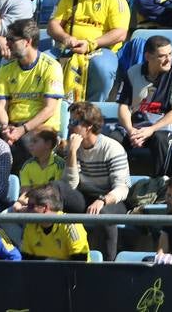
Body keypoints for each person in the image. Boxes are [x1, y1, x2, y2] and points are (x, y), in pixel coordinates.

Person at [47, 0, 130, 102]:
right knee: (43, 61)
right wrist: (65, 37)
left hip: (102, 49)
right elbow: (52, 25)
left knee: (101, 68)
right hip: (68, 48)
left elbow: (120, 33)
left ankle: (93, 109)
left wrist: (91, 44)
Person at [0, 18, 63, 166]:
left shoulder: (51, 67)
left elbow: (49, 109)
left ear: (27, 41)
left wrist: (22, 130)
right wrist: (5, 127)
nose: (7, 43)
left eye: (11, 40)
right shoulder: (6, 69)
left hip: (40, 127)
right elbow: (1, 105)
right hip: (13, 125)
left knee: (26, 143)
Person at [112, 35, 172, 178]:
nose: (169, 59)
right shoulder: (133, 72)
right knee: (114, 139)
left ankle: (160, 182)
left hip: (163, 126)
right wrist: (130, 130)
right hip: (137, 124)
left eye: (171, 54)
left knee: (160, 139)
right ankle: (117, 181)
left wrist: (151, 129)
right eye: (162, 56)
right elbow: (123, 106)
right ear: (148, 57)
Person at [62, 102, 129, 259]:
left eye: (74, 123)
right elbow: (70, 185)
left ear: (89, 126)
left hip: (111, 201)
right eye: (69, 122)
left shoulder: (112, 148)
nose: (69, 127)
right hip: (85, 197)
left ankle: (107, 265)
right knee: (58, 191)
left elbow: (122, 188)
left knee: (104, 214)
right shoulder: (74, 147)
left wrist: (103, 200)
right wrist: (71, 152)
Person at [20, 184, 91, 261]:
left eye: (30, 206)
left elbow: (80, 265)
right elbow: (26, 261)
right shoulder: (30, 226)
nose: (27, 210)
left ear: (45, 208)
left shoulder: (71, 225)